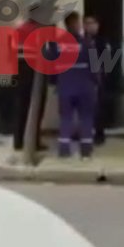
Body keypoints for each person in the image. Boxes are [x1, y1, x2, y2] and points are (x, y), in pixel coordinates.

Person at [50, 12, 98, 159]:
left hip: (65, 87)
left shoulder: (57, 44)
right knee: (86, 117)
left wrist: (55, 83)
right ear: (76, 24)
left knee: (66, 118)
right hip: (84, 87)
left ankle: (64, 149)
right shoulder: (87, 43)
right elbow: (94, 66)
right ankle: (86, 149)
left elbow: (51, 67)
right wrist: (96, 82)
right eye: (79, 22)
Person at [11, 4, 49, 153]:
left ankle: (18, 141)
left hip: (19, 72)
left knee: (20, 108)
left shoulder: (19, 29)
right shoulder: (40, 31)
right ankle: (33, 141)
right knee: (36, 108)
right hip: (34, 73)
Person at [83, 15, 111, 145]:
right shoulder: (81, 40)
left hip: (98, 78)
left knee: (98, 107)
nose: (89, 26)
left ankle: (99, 134)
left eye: (92, 23)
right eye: (87, 23)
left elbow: (107, 62)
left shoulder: (102, 41)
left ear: (97, 25)